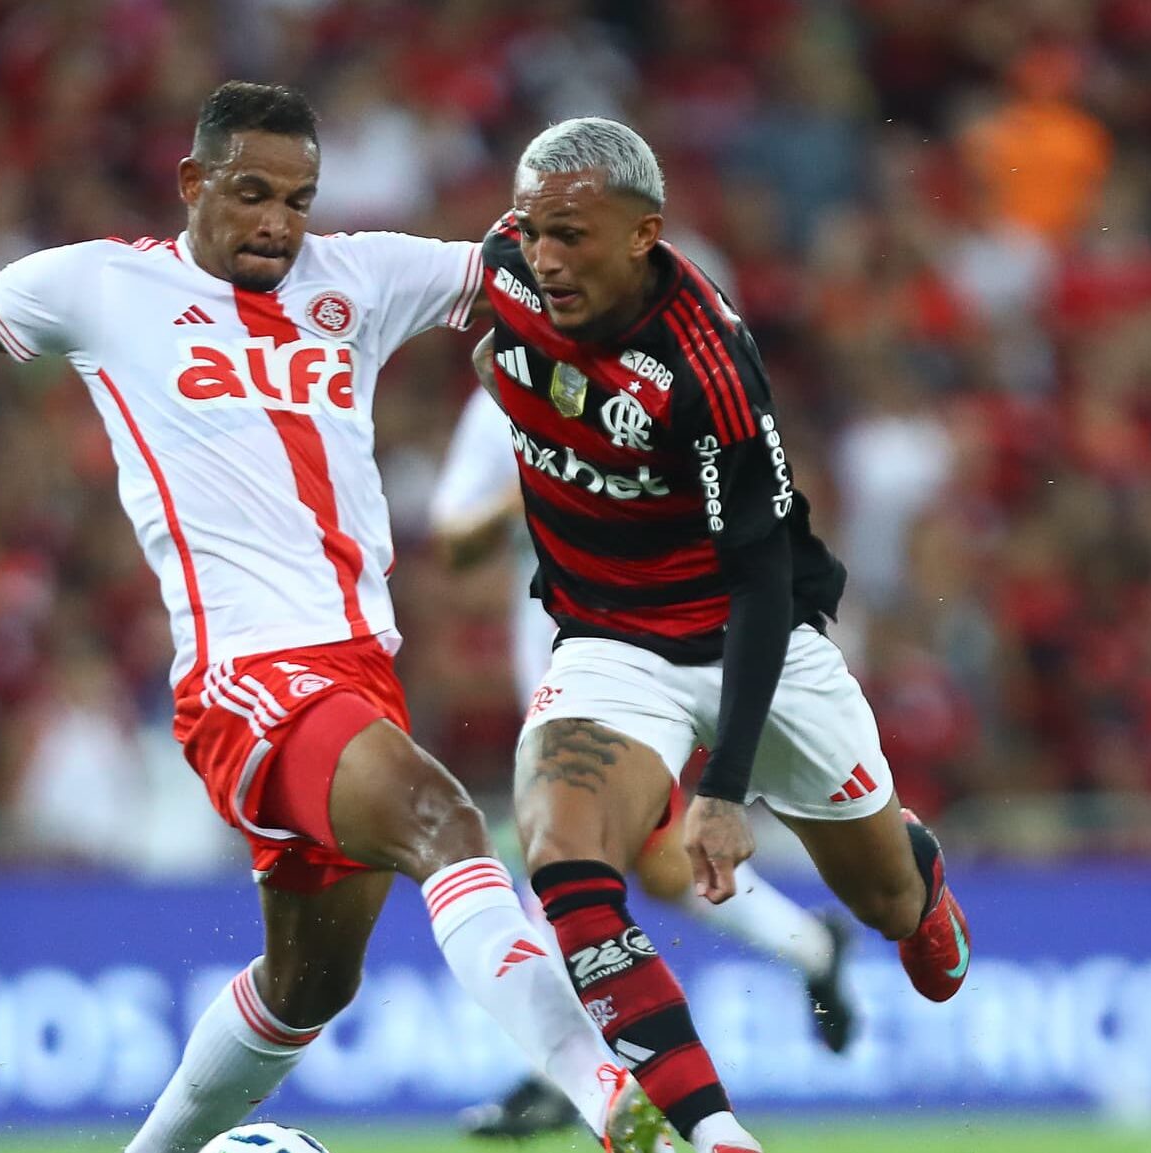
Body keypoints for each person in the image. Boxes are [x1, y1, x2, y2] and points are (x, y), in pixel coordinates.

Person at [0, 82, 671, 1153]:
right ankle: (616, 1107)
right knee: (446, 823)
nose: (276, 223)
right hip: (248, 681)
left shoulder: (365, 277)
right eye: (249, 193)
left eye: (297, 199)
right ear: (191, 180)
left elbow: (537, 260)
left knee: (306, 987)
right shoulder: (101, 287)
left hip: (357, 674)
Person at [472, 118, 978, 1153]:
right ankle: (710, 1135)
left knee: (889, 913)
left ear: (642, 233)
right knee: (562, 858)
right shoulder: (502, 272)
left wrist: (723, 788)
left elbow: (758, 585)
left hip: (757, 644)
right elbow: (454, 319)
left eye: (570, 234)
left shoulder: (703, 366)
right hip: (609, 647)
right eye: (531, 231)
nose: (545, 257)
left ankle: (912, 871)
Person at [430, 387, 855, 1141]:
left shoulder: (664, 375)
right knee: (655, 864)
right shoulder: (498, 404)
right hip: (565, 681)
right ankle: (813, 944)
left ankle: (562, 1072)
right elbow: (454, 541)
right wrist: (535, 474)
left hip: (653, 670)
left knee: (560, 855)